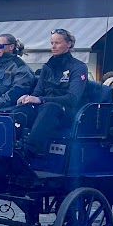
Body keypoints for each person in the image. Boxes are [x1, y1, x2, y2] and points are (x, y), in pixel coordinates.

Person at [13, 27, 88, 158]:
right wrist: (28, 97)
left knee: (49, 107)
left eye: (57, 43)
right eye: (52, 43)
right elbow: (38, 91)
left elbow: (72, 99)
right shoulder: (47, 67)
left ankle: (30, 151)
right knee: (20, 109)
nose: (53, 46)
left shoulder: (78, 67)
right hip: (44, 109)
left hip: (66, 112)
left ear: (68, 44)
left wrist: (41, 99)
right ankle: (10, 144)